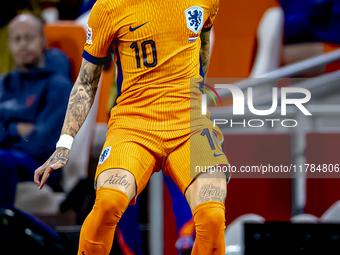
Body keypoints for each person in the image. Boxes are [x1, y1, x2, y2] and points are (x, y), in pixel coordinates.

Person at [34, 0, 229, 255]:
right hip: (133, 125)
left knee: (213, 216)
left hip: (189, 124)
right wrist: (64, 143)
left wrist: (197, 88)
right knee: (108, 203)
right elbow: (85, 81)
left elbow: (204, 37)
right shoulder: (108, 7)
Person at [0, 13, 72, 206]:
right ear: (9, 45)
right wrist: (17, 129)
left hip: (40, 165)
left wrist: (7, 125)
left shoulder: (59, 86)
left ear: (43, 41)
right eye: (17, 39)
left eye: (29, 37)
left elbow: (42, 143)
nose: (23, 44)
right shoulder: (4, 84)